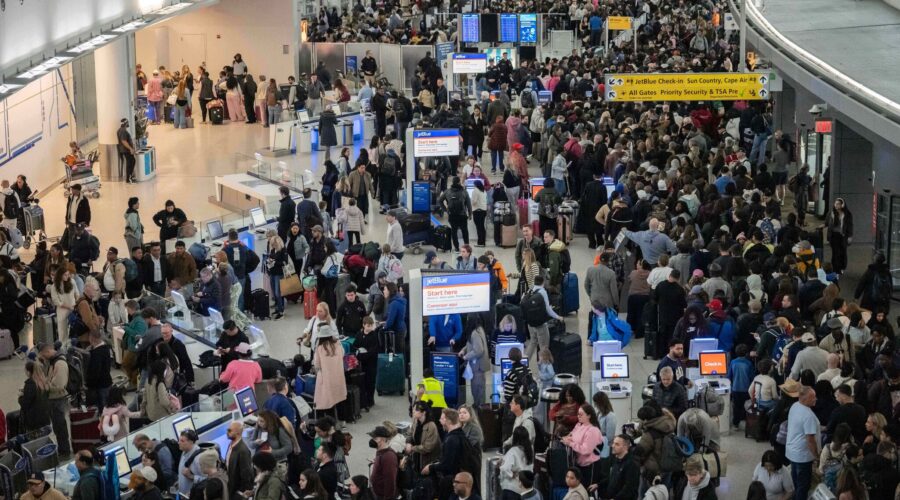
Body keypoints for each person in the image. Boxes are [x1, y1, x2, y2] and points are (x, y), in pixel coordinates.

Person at [36, 342, 71, 457]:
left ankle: (64, 450)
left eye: (43, 355)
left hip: (58, 399)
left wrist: (45, 386)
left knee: (60, 426)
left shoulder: (59, 363)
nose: (43, 358)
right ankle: (62, 448)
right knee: (57, 426)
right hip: (54, 399)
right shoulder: (52, 361)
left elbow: (59, 384)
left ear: (47, 351)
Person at [785, 386, 819, 500]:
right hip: (803, 456)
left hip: (792, 452)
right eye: (812, 397)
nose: (815, 399)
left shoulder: (795, 406)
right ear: (802, 398)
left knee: (796, 483)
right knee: (803, 486)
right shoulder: (808, 415)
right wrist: (816, 456)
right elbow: (810, 440)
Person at [561, 404, 603, 486]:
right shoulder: (578, 425)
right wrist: (566, 439)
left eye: (581, 414)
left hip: (590, 465)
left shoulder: (593, 430)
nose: (578, 416)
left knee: (588, 490)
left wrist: (570, 443)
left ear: (589, 416)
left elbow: (586, 450)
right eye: (578, 414)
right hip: (579, 463)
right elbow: (571, 436)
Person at [314, 327, 347, 415]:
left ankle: (331, 423)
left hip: (326, 378)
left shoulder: (320, 348)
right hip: (339, 377)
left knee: (328, 401)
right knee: (340, 399)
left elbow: (317, 364)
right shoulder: (338, 345)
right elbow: (343, 354)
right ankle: (343, 422)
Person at [598, 434, 640, 500]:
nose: (613, 446)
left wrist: (615, 499)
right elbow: (612, 478)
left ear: (625, 447)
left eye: (617, 444)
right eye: (613, 443)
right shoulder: (616, 459)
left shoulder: (632, 464)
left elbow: (629, 488)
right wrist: (598, 485)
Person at [499, 426, 534, 500]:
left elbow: (505, 468)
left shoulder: (513, 451)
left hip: (511, 488)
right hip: (523, 489)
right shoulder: (530, 450)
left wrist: (511, 475)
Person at [458, 325, 490, 405]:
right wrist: (464, 350)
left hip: (477, 367)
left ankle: (478, 410)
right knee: (478, 390)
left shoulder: (475, 333)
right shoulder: (479, 329)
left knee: (477, 391)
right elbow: (471, 343)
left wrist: (466, 356)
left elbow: (479, 350)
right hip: (478, 366)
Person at [18, 361, 51, 432]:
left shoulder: (30, 384)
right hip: (45, 418)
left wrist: (20, 397)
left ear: (29, 371)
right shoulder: (43, 381)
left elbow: (25, 404)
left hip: (34, 420)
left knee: (35, 441)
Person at [223, 421, 253, 499]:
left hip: (236, 491)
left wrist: (240, 493)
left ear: (238, 433)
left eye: (229, 430)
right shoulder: (231, 444)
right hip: (229, 486)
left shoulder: (243, 451)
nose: (227, 432)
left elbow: (246, 474)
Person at [368, 426, 399, 500]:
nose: (372, 440)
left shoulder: (388, 457)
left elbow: (390, 481)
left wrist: (388, 498)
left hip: (383, 496)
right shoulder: (381, 452)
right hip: (378, 492)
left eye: (375, 438)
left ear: (382, 439)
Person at [825, 198, 853, 275]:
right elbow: (826, 223)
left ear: (842, 205)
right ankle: (835, 269)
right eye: (836, 204)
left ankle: (842, 267)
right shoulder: (831, 213)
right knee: (835, 253)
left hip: (843, 236)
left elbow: (850, 225)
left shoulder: (847, 214)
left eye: (838, 204)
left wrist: (850, 236)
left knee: (842, 252)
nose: (837, 205)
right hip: (833, 236)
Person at [176, 429, 204, 497]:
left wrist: (191, 476)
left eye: (182, 441)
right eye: (179, 440)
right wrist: (179, 481)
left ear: (191, 442)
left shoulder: (199, 458)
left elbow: (207, 479)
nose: (178, 442)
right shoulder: (184, 451)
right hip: (183, 495)